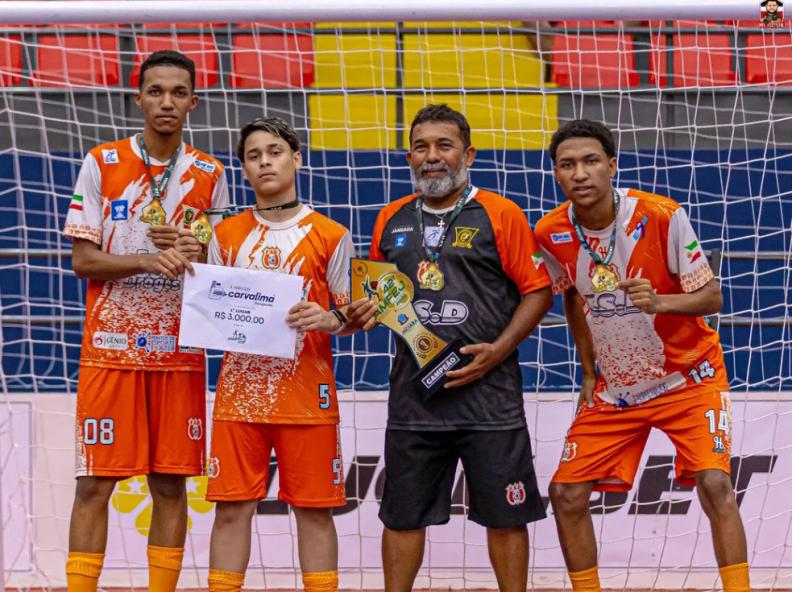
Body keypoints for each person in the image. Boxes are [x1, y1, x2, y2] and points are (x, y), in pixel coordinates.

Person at [534, 119, 750, 592]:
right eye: (567, 165)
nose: (580, 173)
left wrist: (661, 302)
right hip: (618, 389)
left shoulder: (661, 215)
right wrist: (587, 371)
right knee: (565, 493)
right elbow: (570, 295)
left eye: (591, 161)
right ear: (556, 173)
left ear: (612, 166)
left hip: (690, 378)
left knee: (715, 485)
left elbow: (713, 297)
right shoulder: (550, 231)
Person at [360, 104, 553, 592]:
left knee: (506, 517)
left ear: (468, 154)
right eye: (421, 147)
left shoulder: (501, 213)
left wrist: (498, 351)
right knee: (401, 517)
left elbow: (539, 290)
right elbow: (380, 299)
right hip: (414, 400)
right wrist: (358, 310)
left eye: (444, 145)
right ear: (409, 157)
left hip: (490, 401)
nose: (432, 156)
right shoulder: (389, 218)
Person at [62, 50, 229, 592]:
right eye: (155, 91)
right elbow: (83, 260)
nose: (166, 102)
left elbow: (220, 267)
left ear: (193, 102)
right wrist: (146, 259)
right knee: (94, 484)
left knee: (171, 485)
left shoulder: (210, 173)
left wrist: (196, 252)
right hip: (110, 351)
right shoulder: (102, 162)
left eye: (178, 92)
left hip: (179, 353)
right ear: (138, 98)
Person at [204, 117, 366, 592]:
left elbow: (355, 313)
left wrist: (330, 319)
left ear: (296, 159)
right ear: (244, 168)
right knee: (231, 509)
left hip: (307, 398)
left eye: (274, 152)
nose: (265, 162)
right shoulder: (224, 235)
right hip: (240, 397)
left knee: (314, 512)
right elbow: (211, 311)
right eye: (253, 156)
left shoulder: (330, 234)